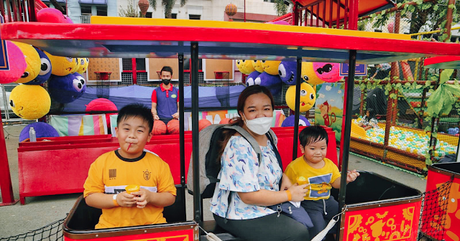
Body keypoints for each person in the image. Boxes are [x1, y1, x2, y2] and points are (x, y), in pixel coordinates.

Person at [210, 85, 311, 241]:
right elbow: (248, 197)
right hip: (238, 212)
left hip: (267, 204)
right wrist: (289, 194)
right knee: (298, 233)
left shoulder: (269, 135)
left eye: (266, 109)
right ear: (242, 114)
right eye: (252, 110)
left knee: (312, 219)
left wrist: (282, 176)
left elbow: (266, 164)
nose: (260, 115)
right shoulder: (238, 144)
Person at [83, 103, 176, 229]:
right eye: (126, 129)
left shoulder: (159, 164)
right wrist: (116, 199)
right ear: (117, 131)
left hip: (152, 228)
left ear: (149, 136)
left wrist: (150, 196)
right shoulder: (102, 162)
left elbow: (170, 197)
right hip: (110, 228)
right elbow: (90, 197)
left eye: (139, 131)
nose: (132, 135)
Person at [284, 125, 360, 239]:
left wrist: (346, 179)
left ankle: (339, 237)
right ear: (302, 148)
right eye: (313, 148)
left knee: (343, 215)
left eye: (322, 148)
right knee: (317, 227)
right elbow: (287, 186)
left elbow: (335, 183)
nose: (318, 152)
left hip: (328, 201)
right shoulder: (294, 167)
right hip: (309, 203)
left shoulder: (329, 164)